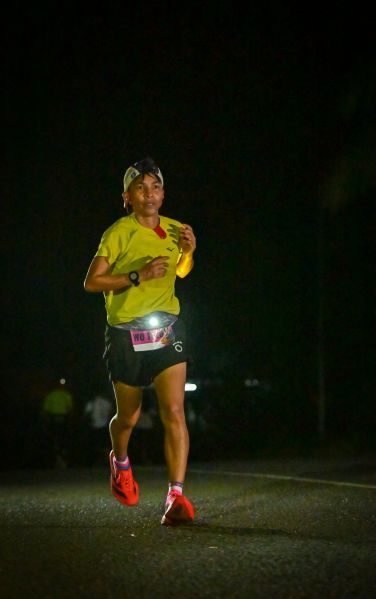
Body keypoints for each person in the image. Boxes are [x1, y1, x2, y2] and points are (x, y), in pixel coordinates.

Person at [83, 157, 196, 525]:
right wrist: (138, 275)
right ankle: (119, 461)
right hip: (125, 333)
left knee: (174, 411)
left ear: (163, 195)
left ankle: (175, 496)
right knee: (128, 417)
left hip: (167, 329)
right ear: (127, 197)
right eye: (140, 188)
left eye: (155, 187)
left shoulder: (176, 228)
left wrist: (189, 252)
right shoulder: (118, 232)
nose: (149, 194)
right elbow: (92, 282)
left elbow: (181, 271)